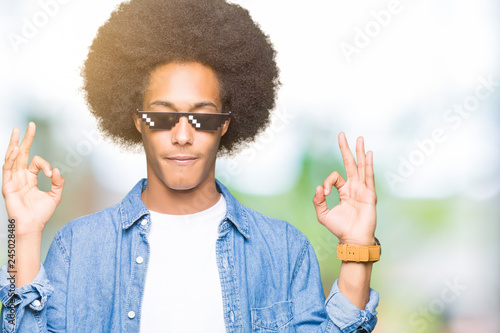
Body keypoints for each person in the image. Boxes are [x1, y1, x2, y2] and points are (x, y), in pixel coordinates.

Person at [0, 0, 380, 331]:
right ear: (137, 120)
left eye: (203, 117)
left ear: (226, 123)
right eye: (163, 117)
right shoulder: (78, 248)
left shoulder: (282, 250)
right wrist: (22, 234)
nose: (182, 135)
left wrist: (358, 249)